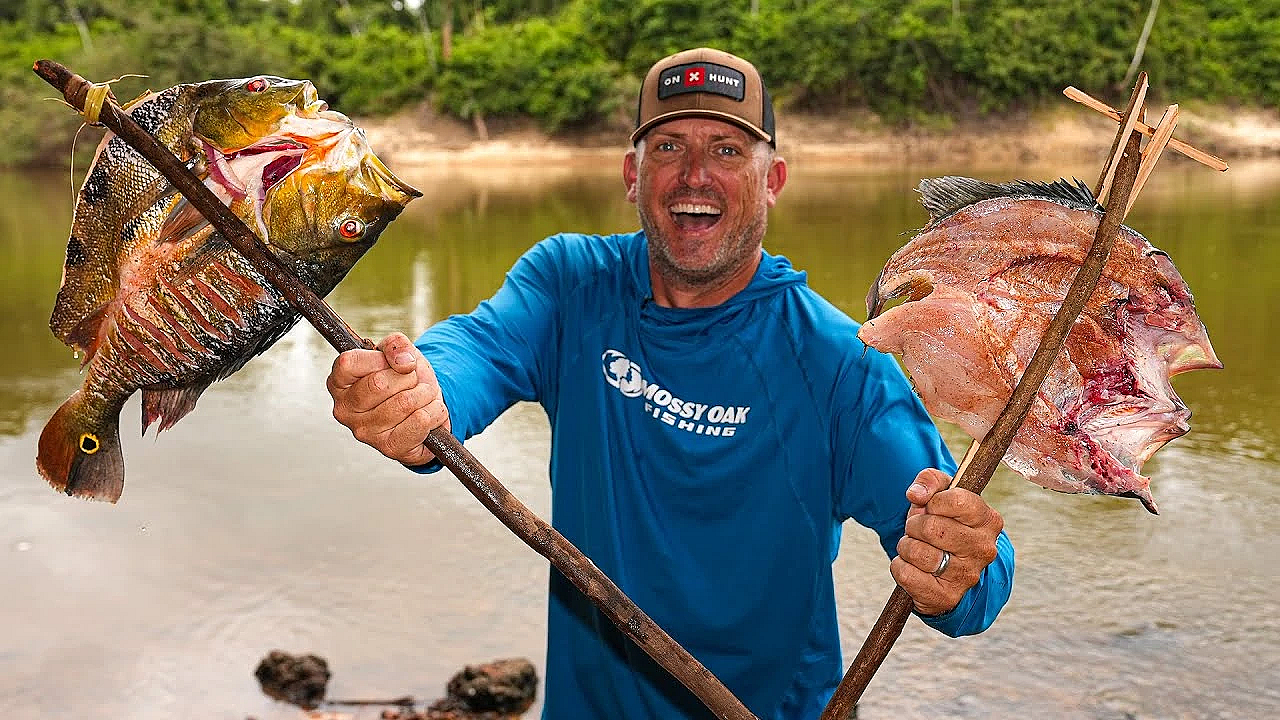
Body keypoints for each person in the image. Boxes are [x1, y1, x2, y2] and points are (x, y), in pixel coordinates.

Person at [327, 47, 1014, 720]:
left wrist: (955, 567)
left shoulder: (840, 362)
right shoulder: (570, 285)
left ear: (772, 180)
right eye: (667, 148)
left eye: (727, 151)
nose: (694, 177)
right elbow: (472, 352)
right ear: (632, 174)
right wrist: (417, 391)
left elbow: (974, 567)